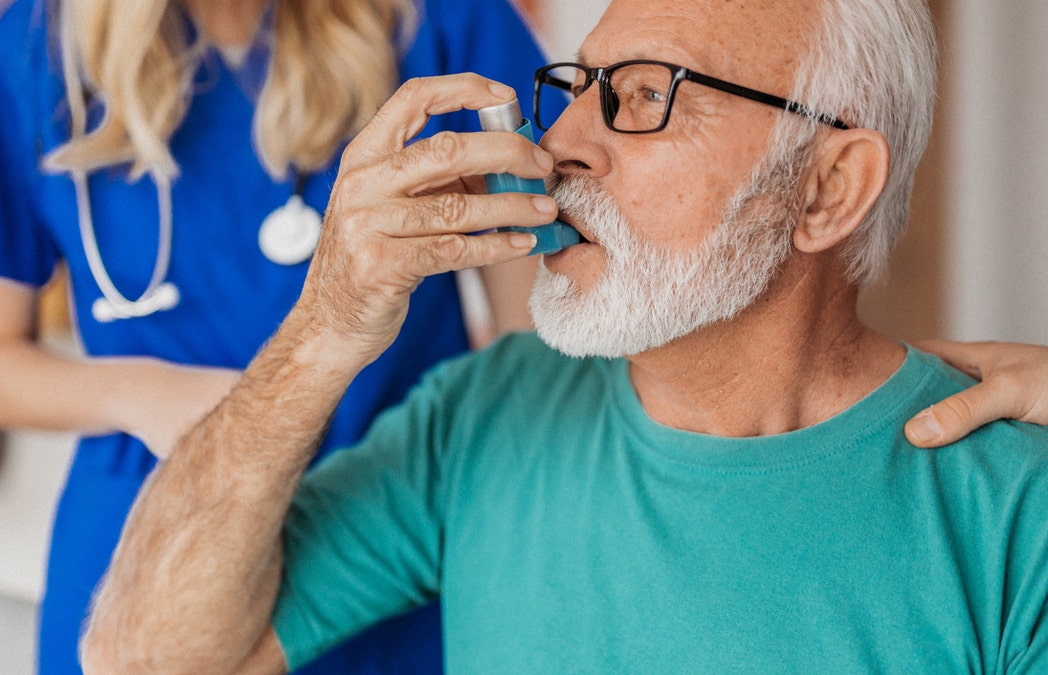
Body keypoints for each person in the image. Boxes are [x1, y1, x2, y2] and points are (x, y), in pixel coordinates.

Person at [80, 0, 1048, 671]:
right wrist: (324, 327)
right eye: (575, 90)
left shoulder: (1015, 507)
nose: (561, 145)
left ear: (828, 187)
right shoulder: (484, 412)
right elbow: (141, 658)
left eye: (641, 95)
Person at [0, 0, 549, 671]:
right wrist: (144, 393)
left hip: (399, 531)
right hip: (155, 538)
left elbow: (533, 346)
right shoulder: (13, 59)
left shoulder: (448, 24)